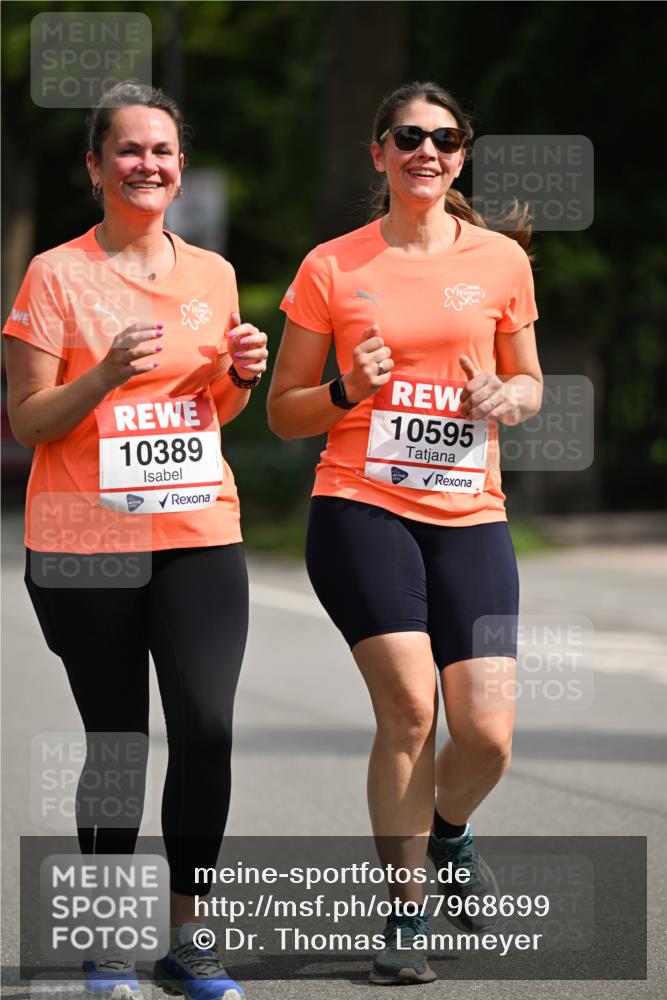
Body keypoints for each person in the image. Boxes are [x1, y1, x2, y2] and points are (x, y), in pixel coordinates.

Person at [267, 80, 542, 986]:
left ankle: (449, 835)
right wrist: (347, 388)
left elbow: (529, 381)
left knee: (489, 733)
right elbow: (283, 414)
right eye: (408, 137)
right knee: (411, 708)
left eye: (446, 138)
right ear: (378, 152)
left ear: (462, 154)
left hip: (470, 511)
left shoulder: (501, 260)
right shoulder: (331, 267)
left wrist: (508, 396)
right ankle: (403, 915)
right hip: (361, 505)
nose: (428, 151)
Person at [4, 83, 268, 1000]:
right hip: (84, 540)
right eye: (127, 150)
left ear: (179, 167)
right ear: (95, 168)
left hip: (197, 528)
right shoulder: (52, 274)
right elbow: (31, 421)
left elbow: (215, 409)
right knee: (116, 738)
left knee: (207, 728)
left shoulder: (213, 273)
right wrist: (107, 372)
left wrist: (240, 375)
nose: (146, 164)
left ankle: (189, 941)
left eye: (162, 150)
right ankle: (108, 941)